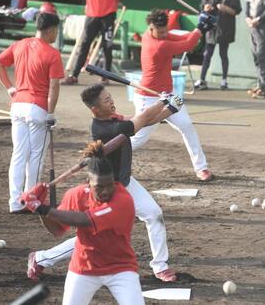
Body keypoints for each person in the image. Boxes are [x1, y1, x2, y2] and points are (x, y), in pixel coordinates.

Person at [27, 84, 181, 282]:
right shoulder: (108, 128)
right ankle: (41, 258)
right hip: (107, 190)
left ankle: (160, 266)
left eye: (110, 97)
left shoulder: (115, 120)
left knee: (154, 214)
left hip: (125, 182)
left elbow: (147, 120)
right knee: (96, 235)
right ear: (95, 109)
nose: (112, 101)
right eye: (107, 100)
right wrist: (163, 100)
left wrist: (172, 108)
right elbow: (142, 119)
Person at [21, 147, 145, 304]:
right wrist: (39, 207)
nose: (106, 191)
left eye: (110, 185)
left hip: (120, 268)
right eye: (99, 186)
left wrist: (43, 208)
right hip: (84, 268)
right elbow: (57, 230)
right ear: (88, 183)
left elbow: (84, 220)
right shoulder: (77, 195)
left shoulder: (123, 200)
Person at [130, 9, 214, 182]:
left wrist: (200, 28)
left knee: (187, 126)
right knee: (138, 139)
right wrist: (200, 28)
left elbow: (182, 38)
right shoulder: (158, 45)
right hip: (149, 97)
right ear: (150, 28)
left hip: (169, 94)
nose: (163, 35)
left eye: (164, 31)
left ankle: (201, 168)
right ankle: (107, 155)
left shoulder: (158, 36)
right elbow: (188, 45)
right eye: (159, 32)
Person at [0, 11, 63, 213]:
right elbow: (54, 87)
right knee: (35, 157)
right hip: (38, 108)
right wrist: (51, 113)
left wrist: (9, 87)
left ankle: (15, 202)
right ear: (50, 31)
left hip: (17, 106)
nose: (56, 34)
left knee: (19, 154)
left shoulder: (20, 44)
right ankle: (29, 200)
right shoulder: (52, 54)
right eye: (56, 31)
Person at [63, 0, 122, 85]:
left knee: (107, 45)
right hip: (91, 14)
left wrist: (110, 5)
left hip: (108, 14)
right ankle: (74, 75)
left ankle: (105, 76)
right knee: (84, 44)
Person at [193, 0, 242, 91]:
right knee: (207, 53)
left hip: (225, 28)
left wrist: (225, 8)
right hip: (210, 27)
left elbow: (237, 10)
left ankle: (224, 81)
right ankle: (202, 80)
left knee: (223, 54)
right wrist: (205, 8)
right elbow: (202, 6)